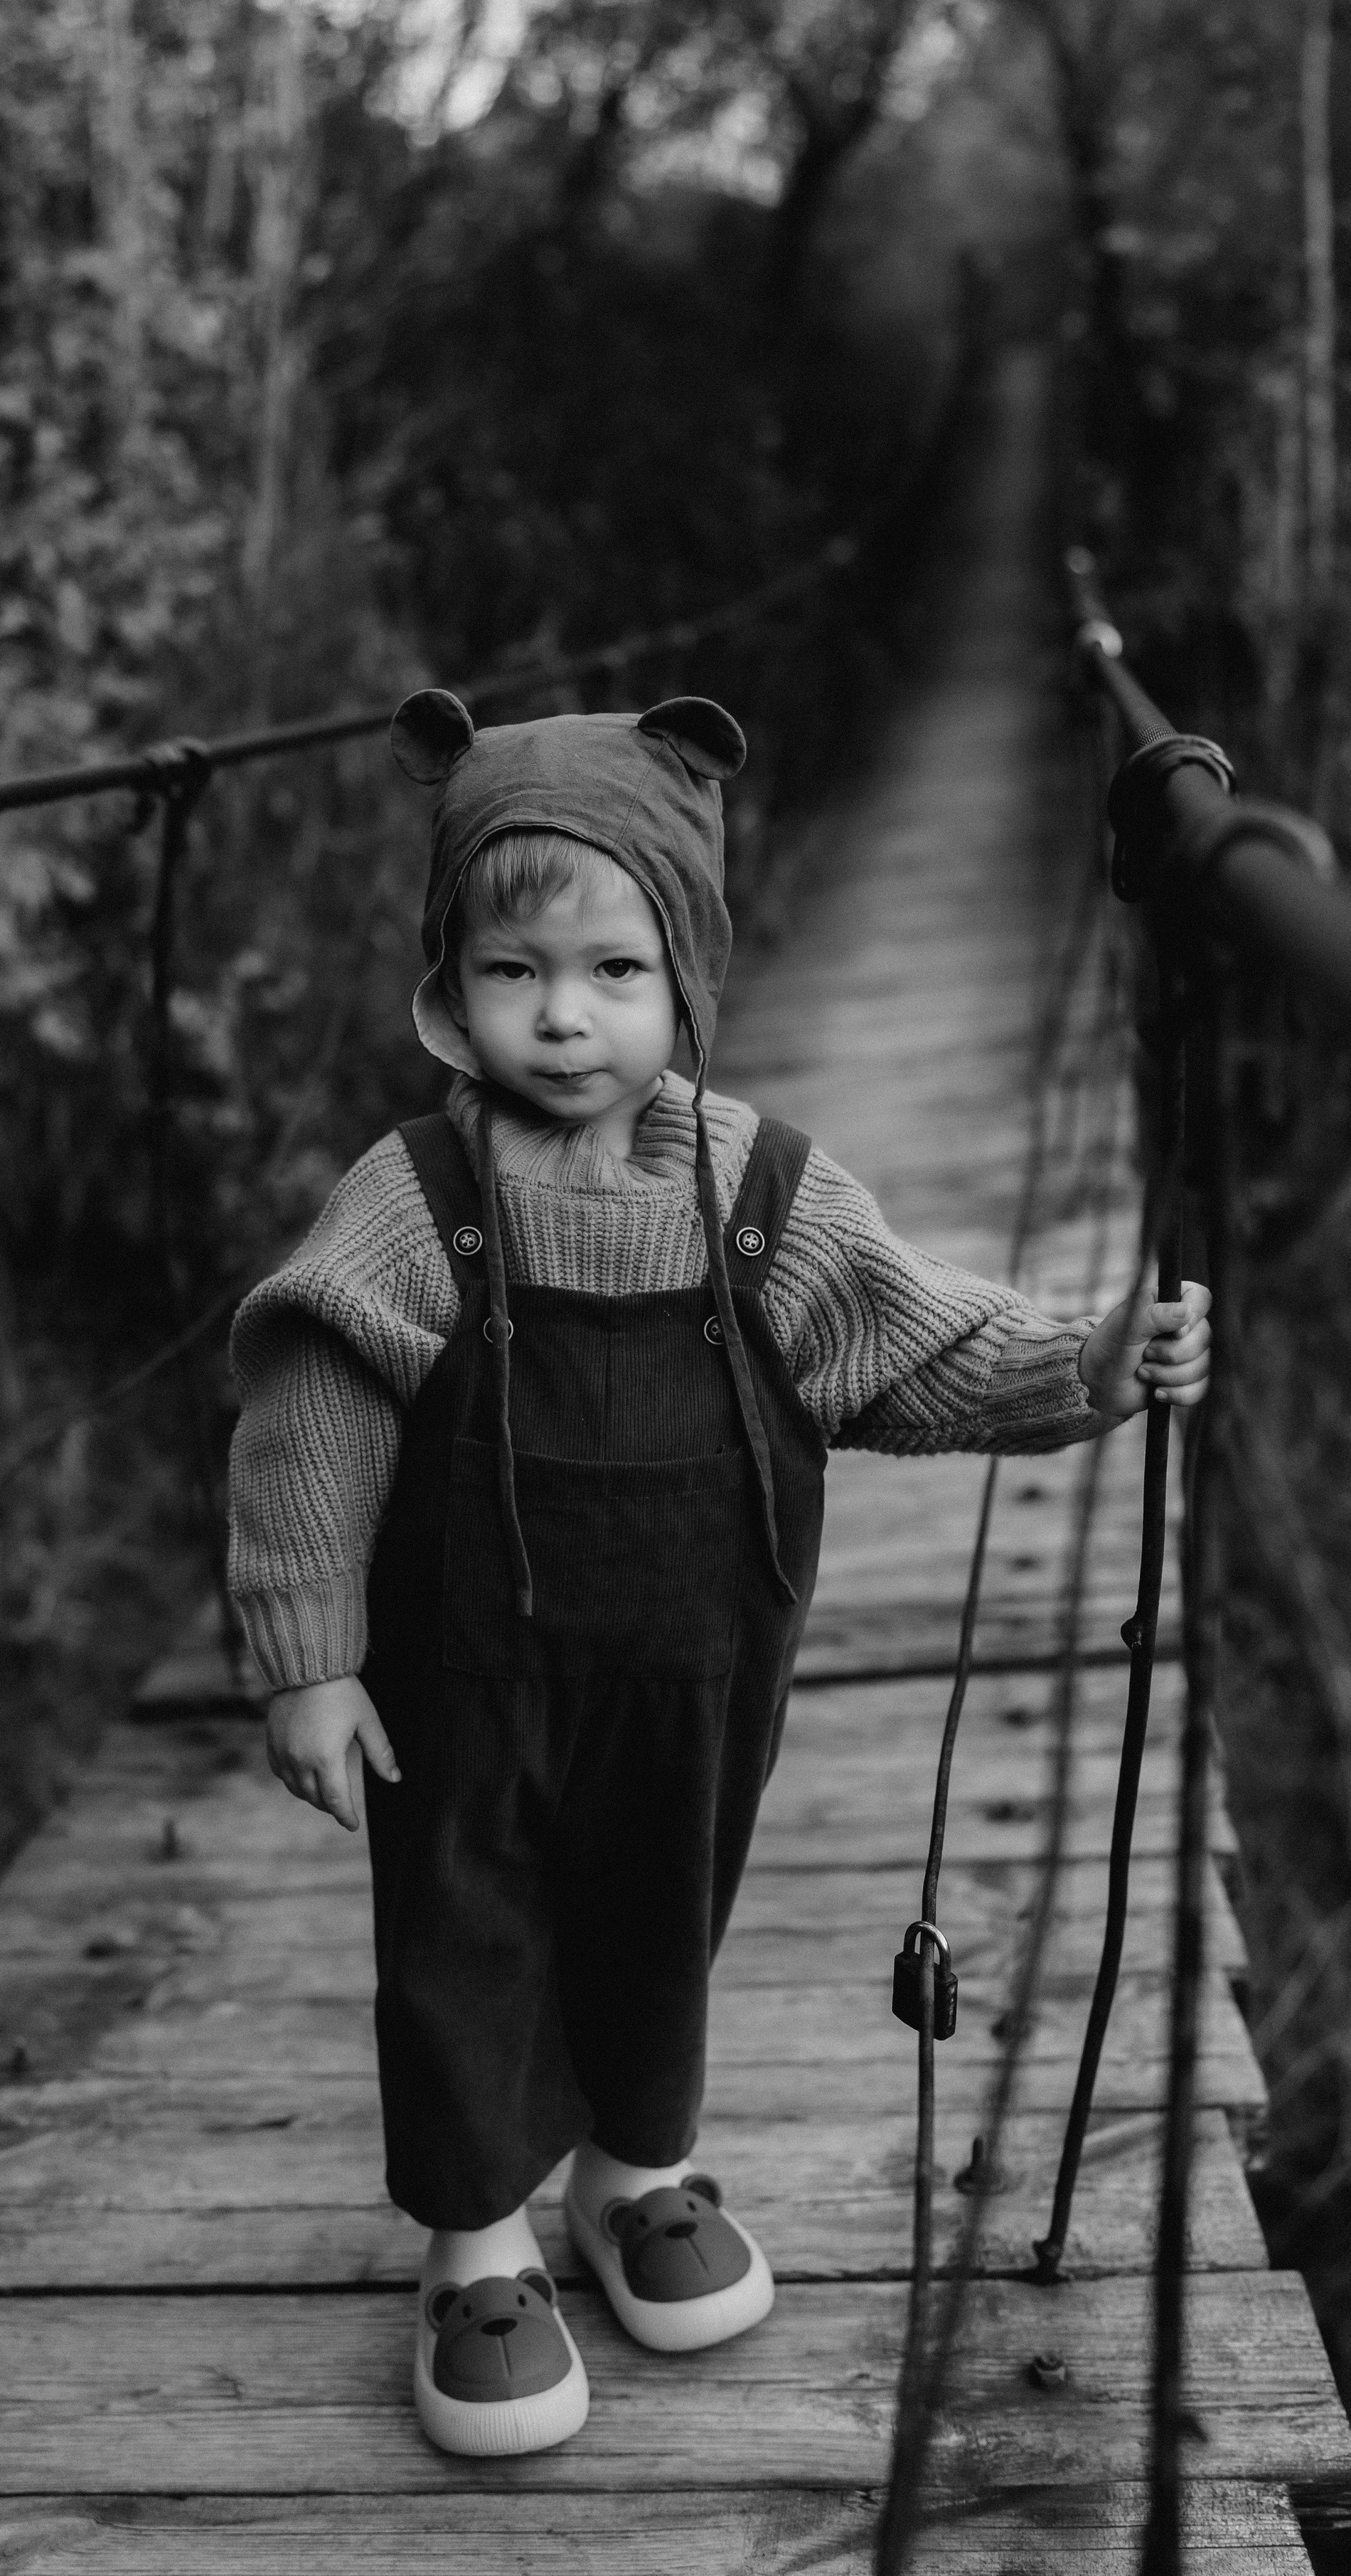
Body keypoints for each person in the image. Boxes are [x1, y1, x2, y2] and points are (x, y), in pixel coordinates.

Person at [224, 688, 1212, 2459]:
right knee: (462, 1931)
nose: (564, 1015)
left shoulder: (761, 1190)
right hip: (458, 1681)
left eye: (613, 971)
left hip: (695, 1668)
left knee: (654, 1911)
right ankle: (472, 2245)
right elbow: (311, 1412)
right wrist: (306, 1651)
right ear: (448, 986)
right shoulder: (415, 1196)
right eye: (515, 972)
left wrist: (1083, 1362)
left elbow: (907, 1343)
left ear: (684, 974)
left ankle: (633, 2168)